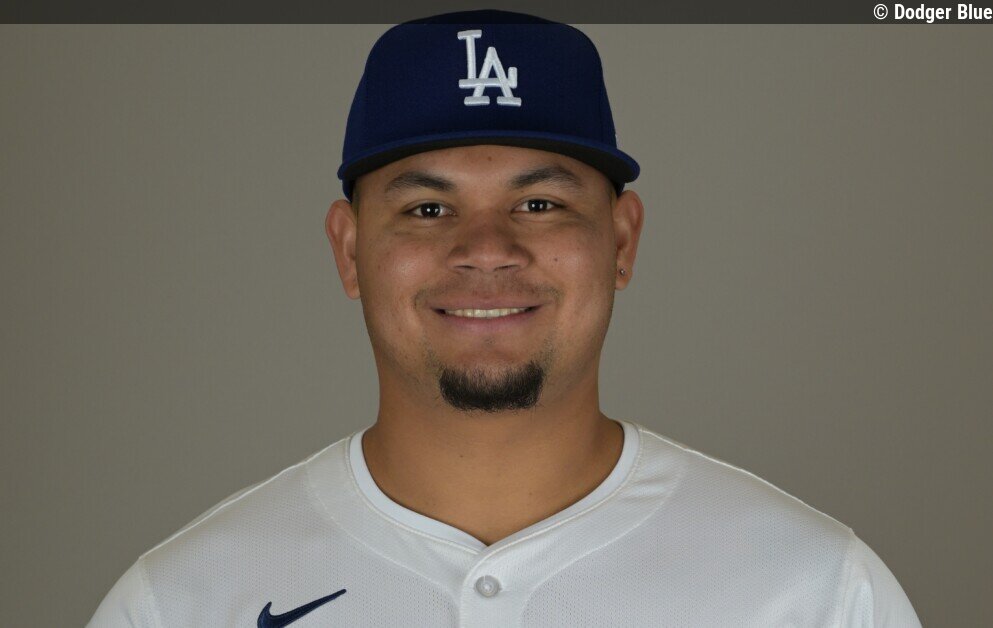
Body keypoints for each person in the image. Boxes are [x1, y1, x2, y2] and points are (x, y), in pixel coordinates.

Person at [88, 10, 922, 627]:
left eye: (539, 203)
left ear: (620, 241)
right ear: (348, 250)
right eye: (425, 209)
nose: (485, 250)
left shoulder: (811, 590)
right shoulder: (183, 601)